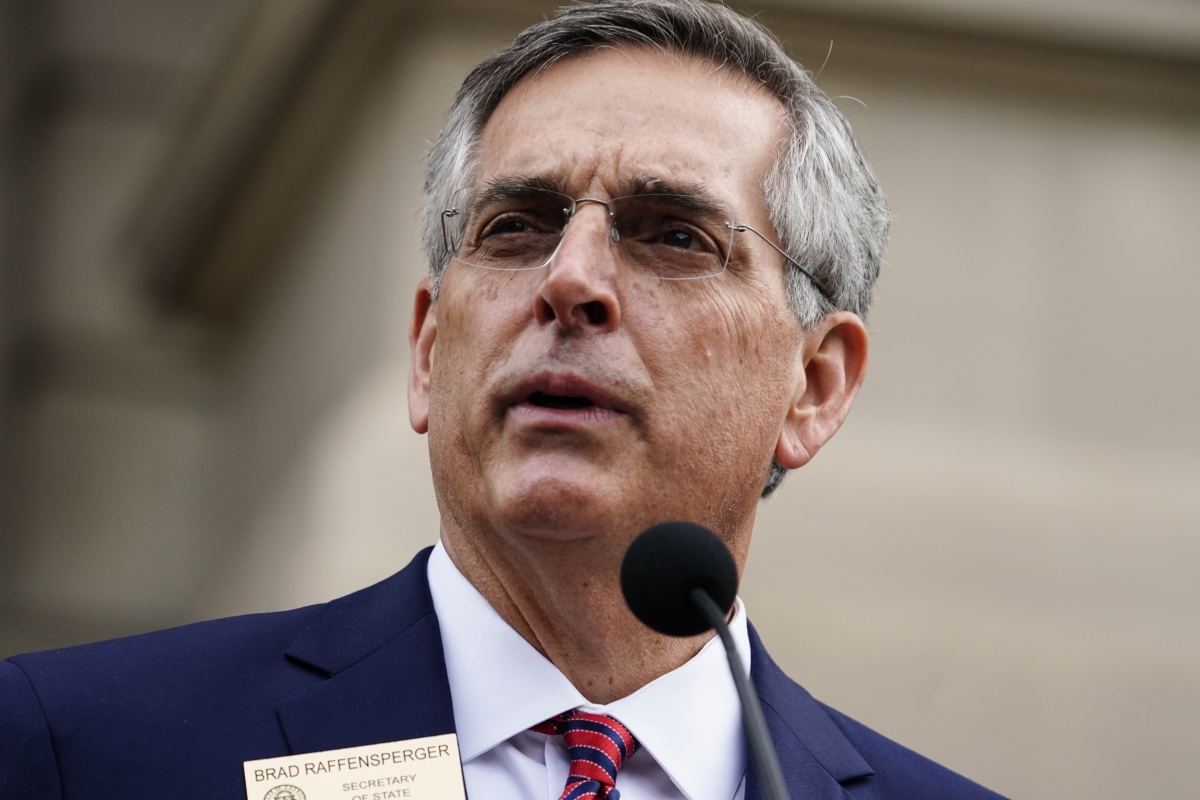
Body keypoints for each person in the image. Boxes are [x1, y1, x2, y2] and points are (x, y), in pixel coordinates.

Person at [0, 2, 1006, 799]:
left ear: (815, 383)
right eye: (518, 226)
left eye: (672, 234)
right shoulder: (74, 748)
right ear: (431, 347)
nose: (570, 280)